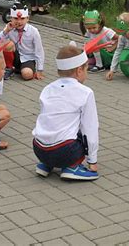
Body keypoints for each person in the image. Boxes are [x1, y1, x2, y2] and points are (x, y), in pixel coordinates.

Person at [32, 42, 99, 180]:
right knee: (81, 130)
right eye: (86, 69)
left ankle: (46, 165)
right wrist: (92, 160)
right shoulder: (85, 92)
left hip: (39, 149)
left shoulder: (48, 88)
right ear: (79, 70)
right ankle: (72, 168)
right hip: (65, 151)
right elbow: (90, 127)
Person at [0, 4, 45, 81]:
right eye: (15, 18)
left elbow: (39, 50)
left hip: (27, 58)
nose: (19, 22)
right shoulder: (9, 28)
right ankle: (9, 68)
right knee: (8, 44)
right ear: (11, 18)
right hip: (14, 56)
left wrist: (40, 69)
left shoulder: (34, 31)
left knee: (27, 75)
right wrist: (6, 31)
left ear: (27, 19)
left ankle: (19, 69)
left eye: (22, 18)